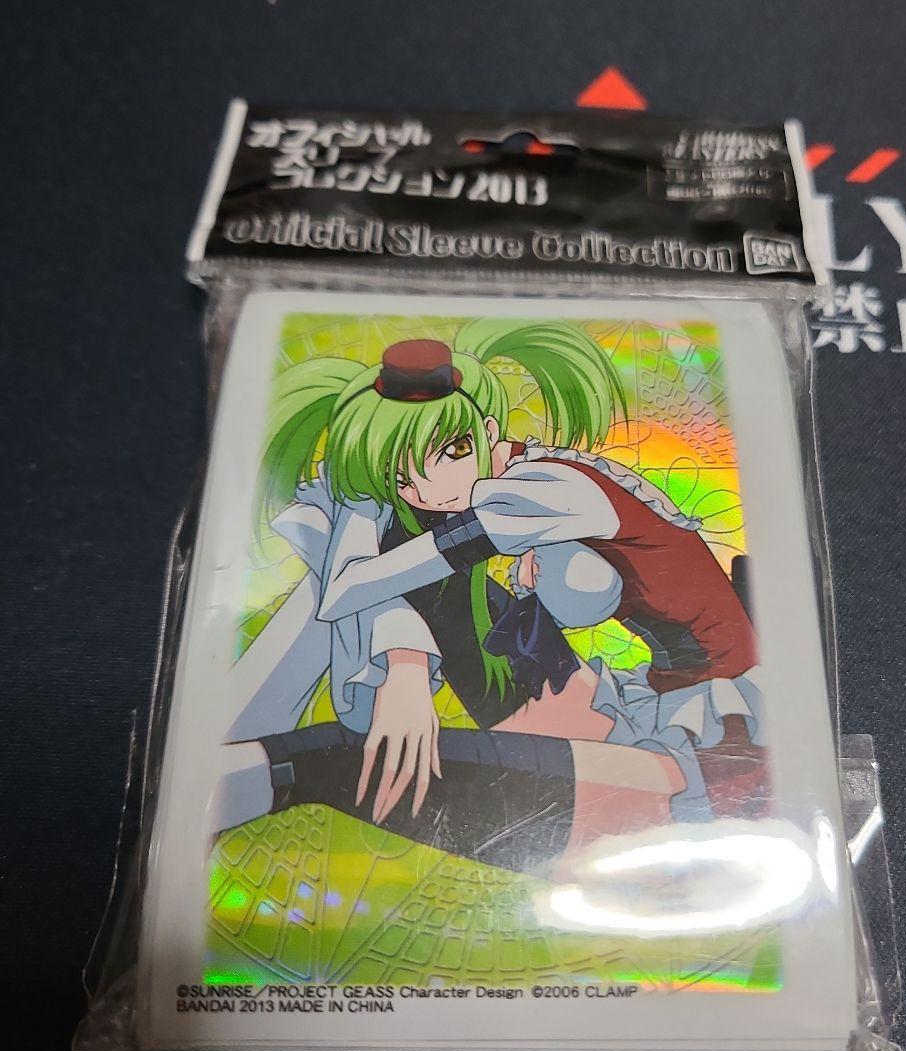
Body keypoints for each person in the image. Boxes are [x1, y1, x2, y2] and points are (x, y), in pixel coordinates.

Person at [212, 319, 765, 858]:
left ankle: (204, 787)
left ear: (484, 436)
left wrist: (356, 503)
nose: (422, 494)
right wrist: (405, 660)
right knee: (404, 565)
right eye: (400, 479)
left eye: (440, 460)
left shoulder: (538, 494)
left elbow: (347, 589)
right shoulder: (529, 474)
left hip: (709, 760)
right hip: (650, 712)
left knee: (325, 756)